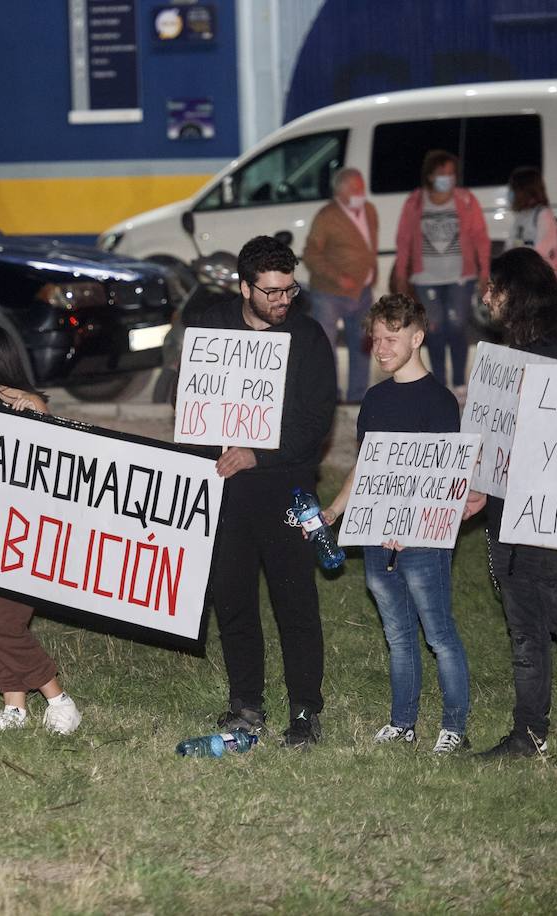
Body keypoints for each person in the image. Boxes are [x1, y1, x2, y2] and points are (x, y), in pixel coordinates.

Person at [194, 235, 337, 747]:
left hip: (285, 487)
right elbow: (191, 401)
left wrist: (260, 452)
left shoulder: (310, 337)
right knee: (232, 600)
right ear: (244, 287)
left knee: (294, 603)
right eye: (271, 292)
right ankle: (245, 704)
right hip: (227, 492)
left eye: (289, 291)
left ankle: (305, 711)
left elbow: (315, 421)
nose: (282, 301)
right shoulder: (210, 329)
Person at [321, 293, 472, 754]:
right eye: (376, 339)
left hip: (421, 541)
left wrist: (410, 524)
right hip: (376, 538)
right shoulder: (376, 398)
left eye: (391, 338)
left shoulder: (439, 402)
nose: (381, 348)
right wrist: (332, 512)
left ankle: (453, 728)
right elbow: (366, 466)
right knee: (398, 635)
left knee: (438, 634)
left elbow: (442, 477)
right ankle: (402, 721)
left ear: (417, 336)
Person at [469, 246, 557, 762]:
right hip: (506, 514)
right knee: (524, 630)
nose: (486, 297)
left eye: (493, 287)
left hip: (553, 516)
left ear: (518, 292)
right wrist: (480, 482)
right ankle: (529, 734)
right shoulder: (508, 354)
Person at [0, 325, 82, 735]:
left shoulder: (29, 405)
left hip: (22, 536)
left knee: (4, 623)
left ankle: (60, 700)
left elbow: (53, 466)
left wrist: (40, 416)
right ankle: (14, 705)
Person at [392, 149, 489, 397]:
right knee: (434, 330)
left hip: (460, 278)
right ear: (430, 175)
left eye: (451, 173)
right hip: (426, 279)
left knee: (457, 327)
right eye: (441, 173)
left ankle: (459, 382)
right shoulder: (415, 202)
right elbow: (403, 240)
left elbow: (481, 238)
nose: (447, 177)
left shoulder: (466, 200)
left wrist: (484, 272)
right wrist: (402, 274)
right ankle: (439, 383)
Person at [302, 166, 379, 403]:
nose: (362, 192)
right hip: (329, 294)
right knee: (326, 347)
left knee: (362, 345)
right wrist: (337, 277)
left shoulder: (369, 210)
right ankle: (329, 395)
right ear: (341, 192)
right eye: (356, 188)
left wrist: (371, 273)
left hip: (362, 292)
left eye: (362, 186)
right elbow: (310, 254)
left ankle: (358, 395)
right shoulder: (327, 216)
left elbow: (369, 246)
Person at [506, 166, 557, 280]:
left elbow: (544, 249)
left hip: (538, 278)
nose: (510, 193)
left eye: (513, 189)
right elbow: (512, 243)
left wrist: (523, 267)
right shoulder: (521, 215)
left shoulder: (542, 214)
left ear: (524, 190)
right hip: (525, 275)